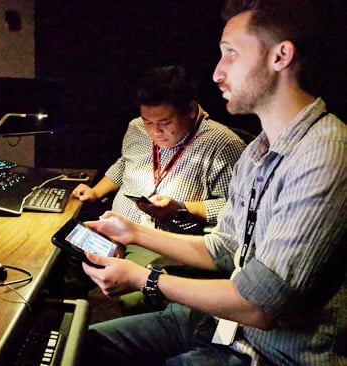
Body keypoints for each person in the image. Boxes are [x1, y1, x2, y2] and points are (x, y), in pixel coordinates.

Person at [78, 0, 347, 364]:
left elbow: (260, 307)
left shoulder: (327, 152)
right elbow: (224, 248)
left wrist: (145, 279)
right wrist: (133, 232)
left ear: (280, 56)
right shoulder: (258, 151)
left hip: (273, 352)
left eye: (231, 54)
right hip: (228, 327)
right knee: (80, 345)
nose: (218, 73)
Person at [68, 65, 246, 312]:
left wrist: (181, 210)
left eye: (164, 122)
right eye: (148, 121)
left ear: (192, 110)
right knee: (61, 259)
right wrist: (96, 192)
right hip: (114, 226)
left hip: (161, 241)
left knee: (130, 298)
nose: (154, 131)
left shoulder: (223, 145)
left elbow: (236, 209)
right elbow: (125, 163)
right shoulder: (136, 128)